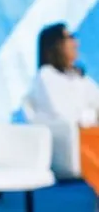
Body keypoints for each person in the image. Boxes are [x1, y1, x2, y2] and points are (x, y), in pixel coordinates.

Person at [27, 22, 99, 193]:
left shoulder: (80, 78)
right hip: (73, 141)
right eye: (70, 38)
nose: (76, 43)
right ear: (55, 45)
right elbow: (64, 115)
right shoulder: (46, 77)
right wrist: (91, 117)